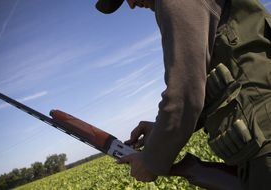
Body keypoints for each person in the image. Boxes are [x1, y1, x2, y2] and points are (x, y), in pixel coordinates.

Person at [96, 0, 271, 189]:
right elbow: (228, 81)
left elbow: (184, 94)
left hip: (263, 142)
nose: (130, 5)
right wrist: (158, 130)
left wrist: (150, 161)